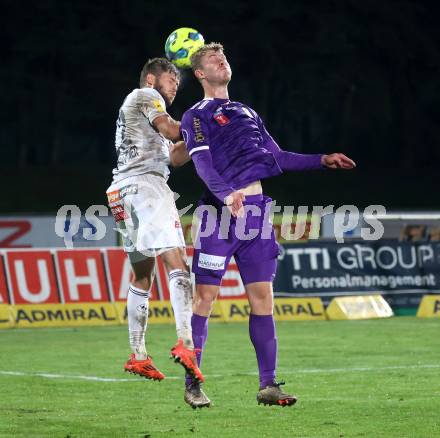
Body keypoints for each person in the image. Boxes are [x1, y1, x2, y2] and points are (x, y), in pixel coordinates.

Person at [180, 43, 356, 408]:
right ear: (199, 73)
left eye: (224, 57)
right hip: (219, 215)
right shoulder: (196, 115)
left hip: (257, 214)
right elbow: (203, 165)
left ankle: (268, 386)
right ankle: (193, 383)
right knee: (204, 299)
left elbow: (277, 157)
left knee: (263, 300)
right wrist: (228, 195)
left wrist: (321, 160)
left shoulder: (246, 111)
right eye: (214, 59)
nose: (222, 61)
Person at [106, 58, 203, 384]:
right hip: (145, 188)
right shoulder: (146, 96)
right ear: (151, 78)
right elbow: (172, 128)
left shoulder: (143, 112)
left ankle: (138, 355)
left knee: (142, 272)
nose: (176, 83)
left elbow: (174, 154)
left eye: (178, 79)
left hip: (120, 193)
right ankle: (186, 343)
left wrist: (199, 140)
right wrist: (201, 123)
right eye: (171, 77)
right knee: (177, 259)